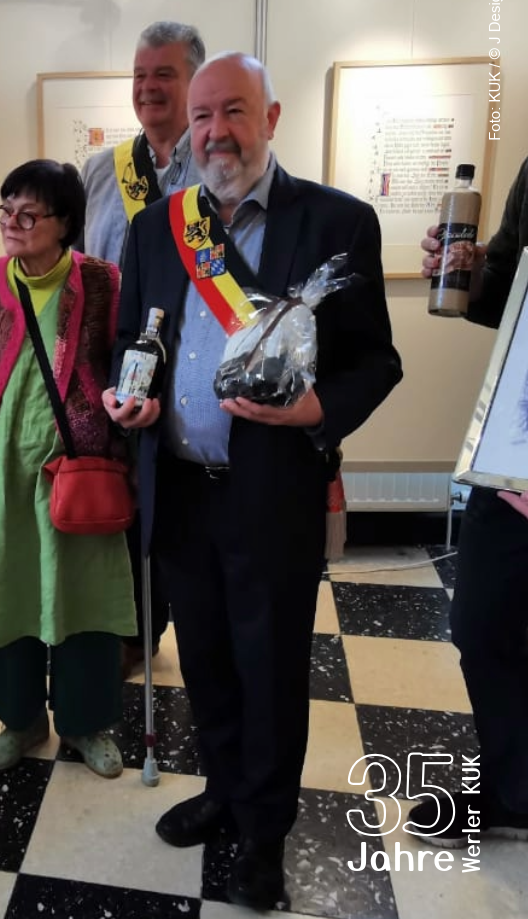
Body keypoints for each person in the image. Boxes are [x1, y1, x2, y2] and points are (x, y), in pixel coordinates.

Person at [104, 53, 401, 909]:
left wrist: (317, 411)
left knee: (268, 666)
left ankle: (266, 831)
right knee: (205, 659)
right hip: (180, 488)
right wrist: (129, 400)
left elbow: (376, 361)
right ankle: (225, 791)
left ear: (270, 117)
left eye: (233, 111)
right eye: (202, 116)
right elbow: (131, 340)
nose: (215, 132)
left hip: (272, 493)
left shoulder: (338, 221)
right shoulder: (158, 227)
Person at [0, 159, 136, 778]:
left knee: (85, 602)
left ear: (64, 223)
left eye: (29, 213)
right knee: (9, 597)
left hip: (81, 475)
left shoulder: (102, 284)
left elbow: (132, 368)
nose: (11, 223)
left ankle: (86, 724)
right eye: (6, 210)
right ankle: (20, 721)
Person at [409, 154, 528, 844]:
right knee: (482, 626)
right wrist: (469, 269)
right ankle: (513, 788)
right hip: (515, 449)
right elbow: (506, 283)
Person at [82, 20, 206, 678]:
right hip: (118, 366)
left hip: (193, 365)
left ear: (194, 81)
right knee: (124, 499)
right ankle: (135, 628)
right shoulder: (102, 172)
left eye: (164, 74)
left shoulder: (219, 167)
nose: (148, 88)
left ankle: (199, 623)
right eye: (139, 75)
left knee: (181, 501)